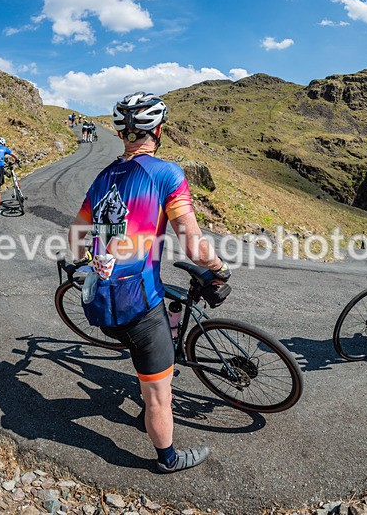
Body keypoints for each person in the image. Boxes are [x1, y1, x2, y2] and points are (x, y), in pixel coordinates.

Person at [68, 92, 230, 473]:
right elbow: (194, 246)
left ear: (123, 133)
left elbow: (76, 238)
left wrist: (92, 258)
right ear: (157, 130)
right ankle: (168, 459)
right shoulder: (166, 173)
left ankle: (159, 354)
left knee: (154, 333)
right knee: (158, 394)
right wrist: (219, 267)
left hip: (99, 307)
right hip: (139, 306)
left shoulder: (103, 176)